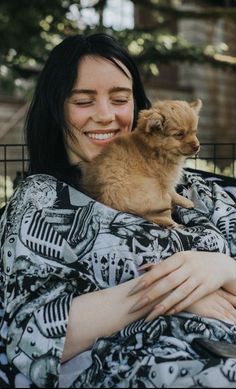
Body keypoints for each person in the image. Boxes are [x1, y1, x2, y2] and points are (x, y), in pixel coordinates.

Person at [0, 33, 236, 389]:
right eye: (83, 101)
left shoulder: (197, 189)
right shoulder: (42, 201)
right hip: (152, 367)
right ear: (56, 109)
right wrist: (171, 290)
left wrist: (219, 267)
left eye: (120, 99)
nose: (106, 115)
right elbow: (34, 333)